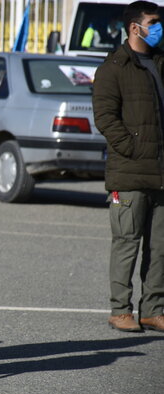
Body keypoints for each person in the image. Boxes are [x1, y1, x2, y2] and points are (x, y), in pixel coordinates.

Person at [92, 0, 164, 333]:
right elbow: (105, 118)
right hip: (130, 172)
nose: (159, 27)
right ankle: (120, 309)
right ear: (135, 27)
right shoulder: (114, 67)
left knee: (160, 247)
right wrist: (133, 150)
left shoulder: (161, 63)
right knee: (127, 243)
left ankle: (153, 310)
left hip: (161, 175)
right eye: (154, 21)